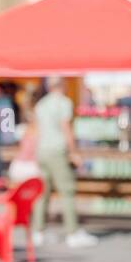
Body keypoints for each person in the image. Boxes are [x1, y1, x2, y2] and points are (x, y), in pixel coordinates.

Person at [28, 76, 97, 248]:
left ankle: (38, 231)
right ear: (62, 85)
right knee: (67, 191)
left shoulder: (41, 104)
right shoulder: (64, 103)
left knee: (43, 193)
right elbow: (66, 128)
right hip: (57, 151)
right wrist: (74, 152)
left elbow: (36, 131)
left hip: (42, 151)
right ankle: (72, 232)